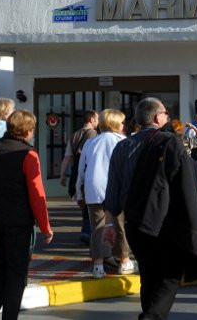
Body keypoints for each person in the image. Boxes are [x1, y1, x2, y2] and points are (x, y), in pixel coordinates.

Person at [103, 98, 197, 319]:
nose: (168, 117)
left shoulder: (122, 147)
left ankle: (149, 312)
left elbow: (112, 190)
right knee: (170, 275)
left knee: (148, 274)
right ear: (156, 117)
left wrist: (110, 224)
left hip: (133, 223)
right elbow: (185, 185)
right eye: (165, 113)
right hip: (163, 222)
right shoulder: (170, 142)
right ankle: (151, 316)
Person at [0, 110, 53, 320]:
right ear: (28, 131)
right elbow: (37, 194)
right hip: (16, 223)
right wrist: (45, 227)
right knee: (17, 273)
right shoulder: (28, 155)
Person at [76, 109, 133, 278]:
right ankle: (123, 260)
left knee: (98, 228)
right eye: (122, 122)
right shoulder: (123, 141)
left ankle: (98, 265)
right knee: (120, 226)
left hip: (93, 189)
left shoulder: (90, 142)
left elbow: (81, 170)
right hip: (116, 190)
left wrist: (79, 193)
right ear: (115, 123)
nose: (124, 125)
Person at [59, 110, 98, 244]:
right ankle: (88, 231)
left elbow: (67, 157)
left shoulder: (74, 135)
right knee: (90, 206)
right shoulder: (94, 134)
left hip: (76, 173)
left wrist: (62, 175)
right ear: (92, 119)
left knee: (84, 205)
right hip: (88, 173)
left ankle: (85, 230)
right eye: (97, 119)